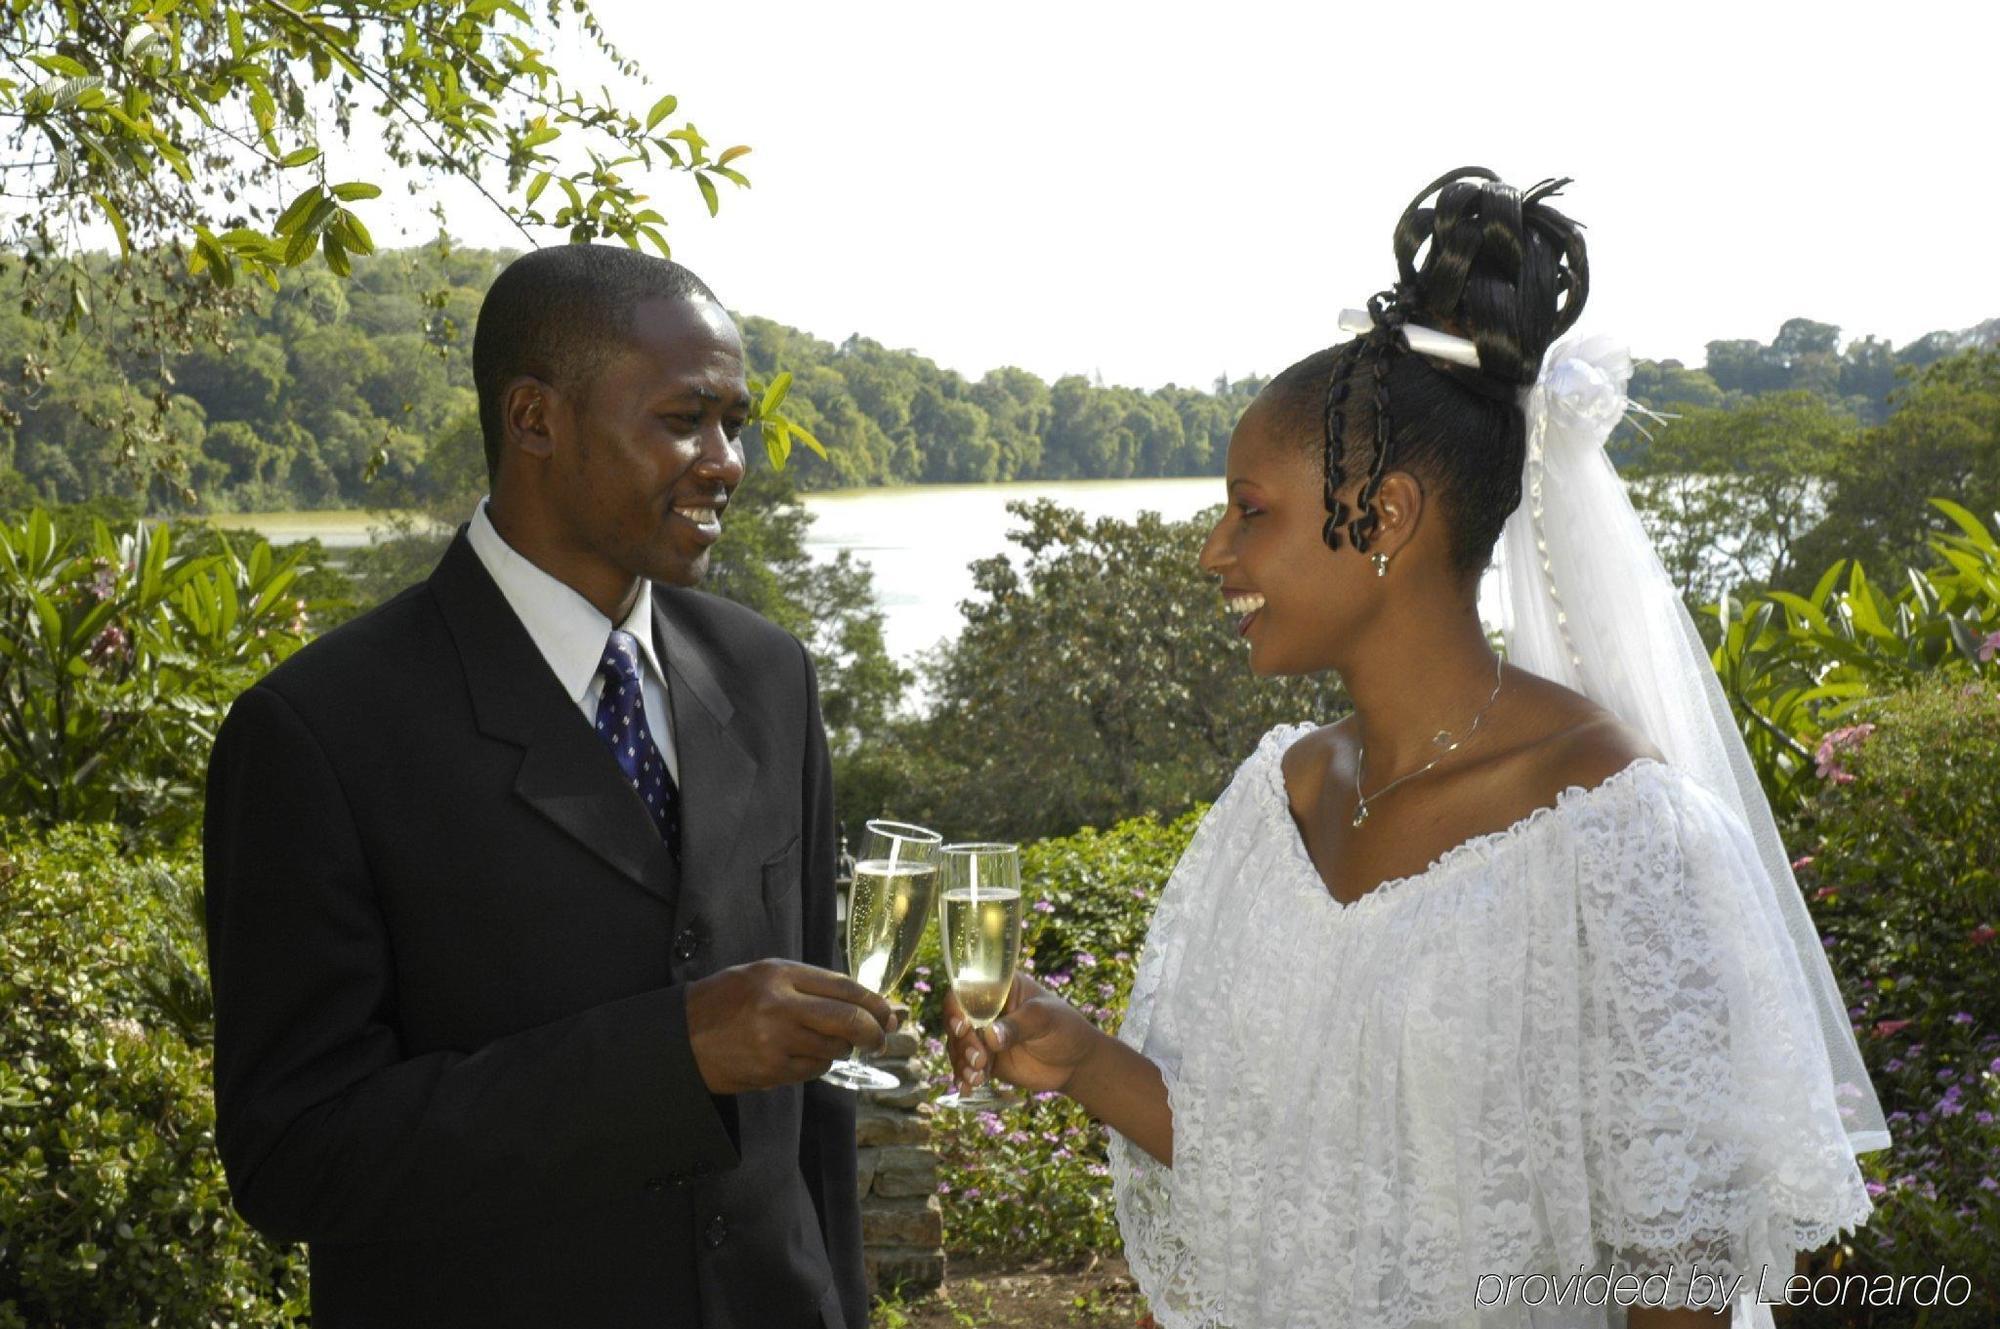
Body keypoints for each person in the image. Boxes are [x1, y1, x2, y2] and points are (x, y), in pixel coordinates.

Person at [945, 168, 1888, 1328]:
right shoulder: (1274, 802)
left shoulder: (1614, 830)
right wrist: (1085, 1060)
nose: (1211, 553)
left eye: (1250, 511)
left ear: (1383, 516)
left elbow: (1679, 1275)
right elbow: (1260, 1164)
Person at [203, 245, 893, 1329]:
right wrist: (671, 1056)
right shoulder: (317, 732)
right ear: (534, 419)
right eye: (683, 419)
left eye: (734, 423)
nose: (727, 462)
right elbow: (294, 1154)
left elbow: (817, 1118)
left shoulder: (769, 677)